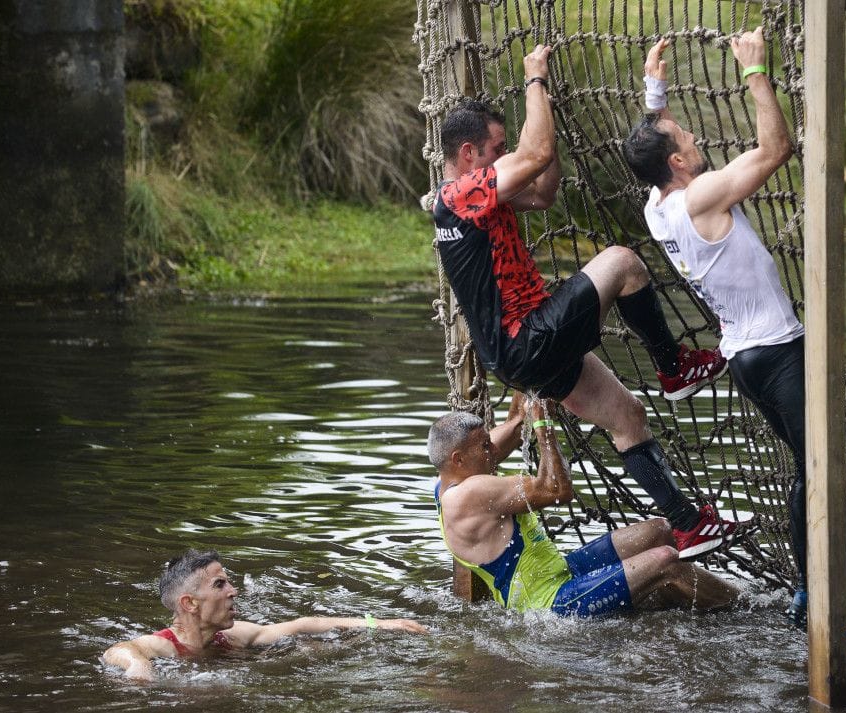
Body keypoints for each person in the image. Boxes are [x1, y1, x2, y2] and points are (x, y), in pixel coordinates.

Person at [622, 30, 846, 667]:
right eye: (684, 140)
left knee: (811, 470)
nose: (693, 137)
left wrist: (655, 91)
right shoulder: (701, 195)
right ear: (676, 164)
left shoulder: (657, 205)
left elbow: (656, 141)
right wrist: (755, 68)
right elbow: (775, 148)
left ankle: (807, 592)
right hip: (777, 355)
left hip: (747, 359)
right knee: (827, 474)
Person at [431, 43, 735, 558]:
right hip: (525, 338)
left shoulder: (484, 193)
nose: (504, 155)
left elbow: (543, 187)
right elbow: (534, 156)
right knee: (623, 262)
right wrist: (534, 80)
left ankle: (686, 525)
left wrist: (547, 106)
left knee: (627, 415)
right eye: (496, 147)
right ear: (468, 156)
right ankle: (673, 367)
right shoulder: (457, 195)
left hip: (526, 352)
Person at [428, 393, 740, 616]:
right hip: (549, 604)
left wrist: (527, 372)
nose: (492, 451)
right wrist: (543, 427)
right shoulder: (469, 495)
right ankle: (745, 609)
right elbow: (556, 490)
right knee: (666, 560)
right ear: (459, 459)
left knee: (659, 530)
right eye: (485, 447)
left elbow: (514, 421)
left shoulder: (450, 478)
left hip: (561, 571)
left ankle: (679, 601)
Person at [102, 550, 427, 681]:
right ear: (190, 603)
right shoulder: (166, 647)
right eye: (220, 584)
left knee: (311, 649)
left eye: (228, 582)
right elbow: (117, 649)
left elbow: (300, 625)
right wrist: (136, 664)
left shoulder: (231, 636)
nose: (233, 590)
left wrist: (379, 624)